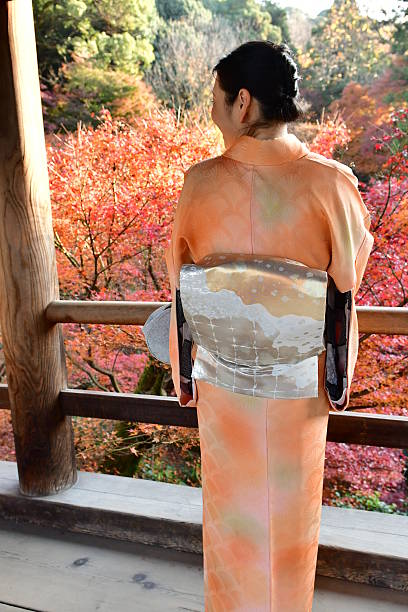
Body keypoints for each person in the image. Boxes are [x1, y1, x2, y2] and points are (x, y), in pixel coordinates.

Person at [164, 41, 374, 612]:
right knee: (289, 512)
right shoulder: (331, 182)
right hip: (296, 383)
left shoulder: (200, 183)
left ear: (243, 102)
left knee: (231, 513)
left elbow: (178, 278)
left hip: (225, 381)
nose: (212, 111)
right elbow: (349, 276)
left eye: (215, 98)